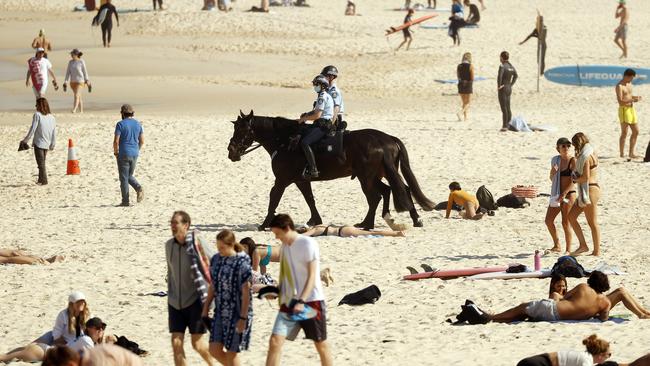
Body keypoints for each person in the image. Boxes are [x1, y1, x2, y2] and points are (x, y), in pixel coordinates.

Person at [265, 214, 333, 366]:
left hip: (311, 302)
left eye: (277, 233)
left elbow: (312, 275)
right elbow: (288, 276)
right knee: (275, 342)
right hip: (290, 302)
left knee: (320, 344)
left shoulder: (307, 244)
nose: (276, 238)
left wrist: (302, 301)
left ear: (287, 228)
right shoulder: (285, 247)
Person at [166, 211, 215, 366]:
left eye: (176, 222)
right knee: (176, 343)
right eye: (172, 222)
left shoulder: (197, 242)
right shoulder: (169, 246)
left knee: (197, 344)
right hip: (175, 303)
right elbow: (170, 271)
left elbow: (215, 259)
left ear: (186, 225)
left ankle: (213, 363)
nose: (173, 225)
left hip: (195, 301)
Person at [201, 230, 253, 366]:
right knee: (214, 349)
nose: (219, 251)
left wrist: (243, 317)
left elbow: (246, 291)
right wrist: (205, 308)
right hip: (220, 311)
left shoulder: (242, 261)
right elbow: (213, 285)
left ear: (231, 245)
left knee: (232, 352)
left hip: (237, 312)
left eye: (222, 248)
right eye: (218, 248)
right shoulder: (217, 259)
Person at [480, 271, 611, 323]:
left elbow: (564, 298)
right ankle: (496, 319)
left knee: (521, 308)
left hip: (552, 309)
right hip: (557, 317)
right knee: (523, 315)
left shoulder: (583, 287)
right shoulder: (606, 303)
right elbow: (603, 318)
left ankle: (491, 317)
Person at [0, 291, 91, 363]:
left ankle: (6, 356)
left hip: (69, 343)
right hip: (55, 337)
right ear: (72, 304)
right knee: (28, 347)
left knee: (32, 351)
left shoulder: (88, 316)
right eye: (78, 302)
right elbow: (56, 336)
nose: (82, 303)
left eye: (83, 301)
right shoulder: (63, 315)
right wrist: (64, 345)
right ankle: (6, 355)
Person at [548, 277, 650, 319]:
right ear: (553, 286)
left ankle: (644, 311)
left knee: (621, 290)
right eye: (559, 286)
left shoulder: (565, 294)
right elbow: (555, 308)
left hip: (594, 304)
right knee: (621, 293)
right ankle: (641, 314)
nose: (562, 288)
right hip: (593, 309)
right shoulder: (555, 295)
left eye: (563, 286)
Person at [567, 133, 601, 256]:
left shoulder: (585, 157)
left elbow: (585, 178)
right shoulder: (592, 152)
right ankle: (583, 245)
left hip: (589, 189)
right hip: (593, 188)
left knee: (592, 222)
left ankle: (596, 251)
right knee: (571, 216)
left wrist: (575, 179)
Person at [297, 75, 334, 179]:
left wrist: (305, 119)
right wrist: (306, 114)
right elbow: (315, 111)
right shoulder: (322, 95)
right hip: (320, 123)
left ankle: (313, 169)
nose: (314, 86)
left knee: (305, 143)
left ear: (322, 86)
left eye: (316, 84)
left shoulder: (322, 96)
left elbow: (317, 116)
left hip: (323, 125)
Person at [545, 137, 576, 253]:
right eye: (563, 146)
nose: (566, 148)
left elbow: (574, 180)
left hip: (569, 194)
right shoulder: (556, 160)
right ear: (558, 148)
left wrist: (564, 193)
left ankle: (568, 250)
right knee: (548, 220)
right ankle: (557, 245)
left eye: (568, 146)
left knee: (565, 222)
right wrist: (552, 173)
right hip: (557, 193)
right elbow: (552, 178)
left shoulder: (573, 160)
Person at [113, 104, 144, 207]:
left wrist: (116, 152)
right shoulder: (138, 124)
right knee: (128, 175)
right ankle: (138, 188)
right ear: (132, 113)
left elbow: (116, 141)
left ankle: (125, 201)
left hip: (124, 153)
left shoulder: (120, 124)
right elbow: (142, 141)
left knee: (124, 178)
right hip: (135, 153)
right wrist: (137, 149)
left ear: (122, 113)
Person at [21, 97, 56, 185]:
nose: (35, 106)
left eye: (36, 104)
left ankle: (44, 181)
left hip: (39, 143)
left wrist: (25, 140)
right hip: (47, 144)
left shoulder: (37, 115)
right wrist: (53, 144)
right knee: (42, 163)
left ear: (39, 106)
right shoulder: (52, 117)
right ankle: (40, 180)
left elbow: (32, 129)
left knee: (41, 164)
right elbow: (54, 132)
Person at [516, 334, 612, 366]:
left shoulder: (583, 355)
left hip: (533, 362)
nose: (609, 357)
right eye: (609, 354)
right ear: (601, 355)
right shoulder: (586, 360)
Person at [616, 68, 642, 159]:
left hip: (631, 109)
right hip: (624, 110)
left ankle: (631, 153)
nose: (632, 80)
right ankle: (622, 154)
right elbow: (620, 101)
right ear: (626, 76)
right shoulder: (619, 86)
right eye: (631, 78)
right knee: (624, 133)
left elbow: (629, 96)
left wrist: (636, 97)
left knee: (636, 131)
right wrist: (632, 99)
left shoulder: (629, 84)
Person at [519, 10, 547, 75]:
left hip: (543, 46)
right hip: (539, 45)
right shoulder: (536, 29)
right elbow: (530, 36)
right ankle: (540, 72)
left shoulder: (544, 29)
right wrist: (522, 42)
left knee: (542, 59)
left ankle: (541, 73)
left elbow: (541, 36)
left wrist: (537, 33)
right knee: (538, 60)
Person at [63, 49, 91, 114]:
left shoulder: (81, 62)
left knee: (76, 95)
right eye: (71, 54)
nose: (71, 55)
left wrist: (87, 80)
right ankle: (81, 111)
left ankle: (74, 109)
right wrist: (65, 81)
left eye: (72, 54)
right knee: (78, 96)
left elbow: (85, 71)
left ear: (76, 55)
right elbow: (68, 73)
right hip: (72, 82)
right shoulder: (70, 62)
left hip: (80, 82)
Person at [497, 51, 518, 131]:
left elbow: (500, 76)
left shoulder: (502, 66)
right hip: (509, 88)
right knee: (508, 107)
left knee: (504, 108)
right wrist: (511, 84)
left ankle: (505, 126)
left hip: (503, 88)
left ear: (502, 57)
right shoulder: (511, 66)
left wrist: (499, 86)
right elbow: (516, 75)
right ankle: (509, 124)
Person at [320, 65, 345, 129]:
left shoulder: (334, 91)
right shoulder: (327, 90)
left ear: (331, 77)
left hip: (334, 120)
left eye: (324, 76)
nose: (322, 78)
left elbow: (336, 108)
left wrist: (331, 124)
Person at [297, 224, 405, 237]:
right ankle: (396, 233)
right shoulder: (318, 226)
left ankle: (396, 233)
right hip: (343, 227)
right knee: (372, 232)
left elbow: (301, 237)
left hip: (343, 232)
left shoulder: (314, 230)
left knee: (372, 233)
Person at [456, 52, 474, 121]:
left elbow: (458, 76)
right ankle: (460, 113)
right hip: (468, 84)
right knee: (468, 103)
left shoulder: (459, 66)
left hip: (460, 84)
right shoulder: (470, 66)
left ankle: (465, 118)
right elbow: (472, 78)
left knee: (464, 102)